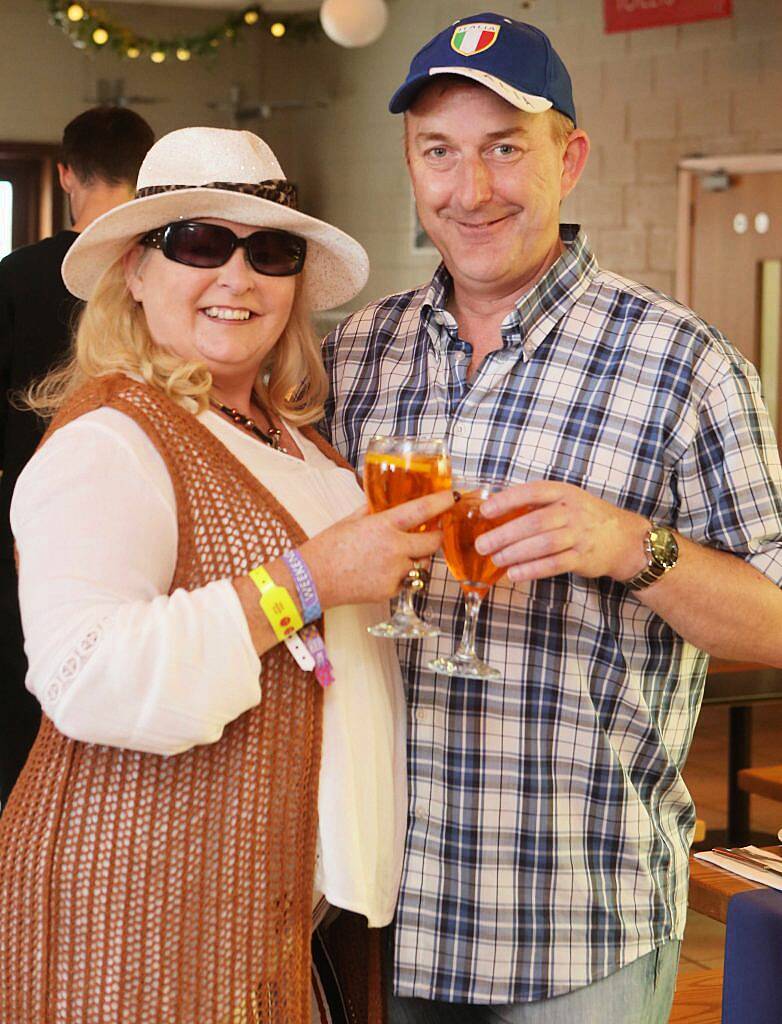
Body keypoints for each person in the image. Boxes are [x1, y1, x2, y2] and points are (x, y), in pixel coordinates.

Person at [322, 13, 782, 1023]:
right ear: (409, 163)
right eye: (439, 152)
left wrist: (633, 546)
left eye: (502, 149)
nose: (469, 188)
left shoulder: (685, 366)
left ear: (567, 159)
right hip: (376, 909)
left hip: (577, 926)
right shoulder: (355, 354)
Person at [0, 125, 453, 1024]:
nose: (238, 278)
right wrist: (309, 579)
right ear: (135, 266)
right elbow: (84, 672)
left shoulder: (295, 439)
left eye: (271, 251)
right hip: (139, 913)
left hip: (266, 914)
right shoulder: (110, 437)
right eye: (199, 243)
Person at [0, 105, 154, 808]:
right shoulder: (161, 272)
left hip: (17, 529)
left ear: (66, 174)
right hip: (142, 525)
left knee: (25, 705)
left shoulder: (13, 276)